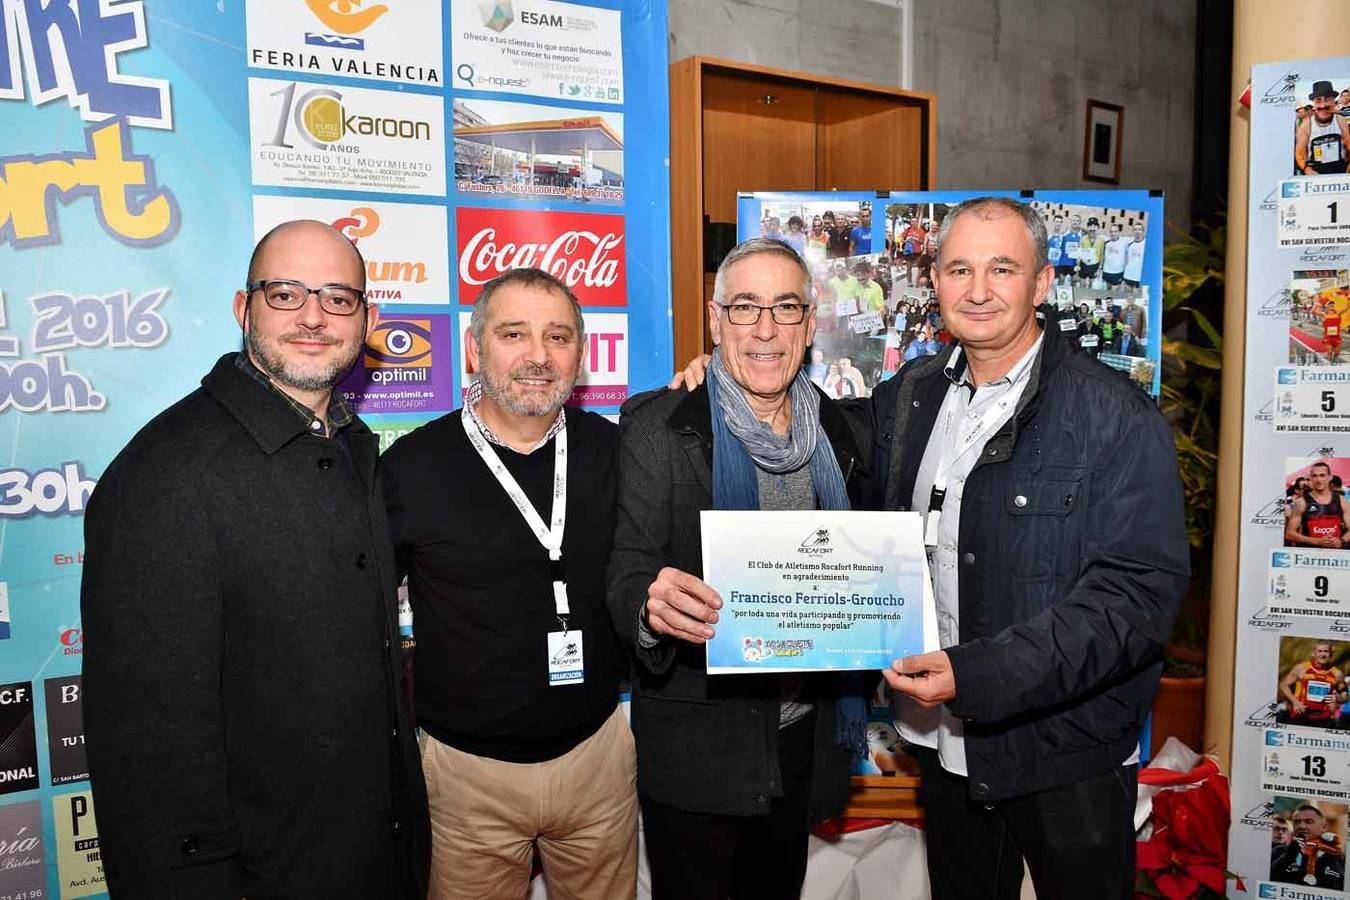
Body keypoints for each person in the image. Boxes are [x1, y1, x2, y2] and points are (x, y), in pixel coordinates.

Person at [80, 220, 430, 898]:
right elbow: (147, 748)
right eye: (285, 293)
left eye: (337, 297)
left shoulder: (352, 446)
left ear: (368, 320)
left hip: (368, 856)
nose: (312, 316)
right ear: (244, 309)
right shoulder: (165, 475)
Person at [870, 196, 1189, 899]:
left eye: (1002, 268)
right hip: (941, 740)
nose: (978, 290)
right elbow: (823, 453)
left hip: (1065, 751)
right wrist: (727, 376)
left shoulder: (1113, 417)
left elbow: (1133, 602)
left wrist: (979, 674)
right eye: (959, 268)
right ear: (935, 282)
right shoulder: (911, 397)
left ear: (1042, 284)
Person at [607, 238, 867, 900]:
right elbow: (628, 564)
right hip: (699, 744)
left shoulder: (841, 434)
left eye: (785, 308)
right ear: (716, 320)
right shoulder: (659, 427)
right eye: (745, 307)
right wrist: (648, 604)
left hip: (799, 740)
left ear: (810, 326)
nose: (765, 329)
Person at [382, 268, 637, 899]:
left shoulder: (621, 452)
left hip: (598, 756)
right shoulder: (410, 468)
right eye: (514, 334)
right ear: (474, 349)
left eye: (558, 337)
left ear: (580, 354)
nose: (538, 357)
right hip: (467, 778)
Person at [1271, 804, 1346, 889]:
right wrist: (1289, 856)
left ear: (1324, 827)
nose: (1302, 826)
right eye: (1297, 822)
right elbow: (1268, 878)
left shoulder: (1338, 857)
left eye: (1309, 821)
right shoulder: (1280, 851)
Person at [1285, 461, 1350, 549]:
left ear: (1330, 477)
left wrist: (1341, 540)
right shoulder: (1301, 502)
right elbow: (1289, 534)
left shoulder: (1342, 501)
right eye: (1315, 476)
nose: (1319, 480)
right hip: (1310, 555)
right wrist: (1316, 541)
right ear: (1310, 478)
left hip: (1335, 556)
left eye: (1322, 475)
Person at [1278, 641, 1344, 727]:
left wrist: (1337, 699)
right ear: (1313, 653)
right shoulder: (1301, 668)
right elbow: (1283, 685)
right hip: (1299, 716)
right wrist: (1294, 701)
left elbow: (1344, 694)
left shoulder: (1337, 673)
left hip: (1323, 720)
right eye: (1320, 651)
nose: (1323, 655)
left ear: (1331, 654)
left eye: (1326, 651)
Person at [1297, 80, 1350, 175]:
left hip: (1340, 169)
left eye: (1327, 99)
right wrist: (1306, 169)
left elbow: (1348, 146)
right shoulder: (1306, 124)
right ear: (1314, 103)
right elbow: (1299, 153)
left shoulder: (1340, 120)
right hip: (1315, 171)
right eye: (1318, 100)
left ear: (1334, 101)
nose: (1323, 105)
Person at [1102, 222, 1129, 293]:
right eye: (1111, 232)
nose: (1113, 233)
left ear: (1119, 232)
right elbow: (1103, 257)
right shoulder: (1106, 243)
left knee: (1113, 293)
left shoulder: (1125, 243)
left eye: (1115, 231)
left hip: (1117, 273)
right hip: (1106, 272)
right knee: (1106, 292)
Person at [1123, 223, 1147, 293]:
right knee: (1126, 297)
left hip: (1139, 278)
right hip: (1128, 276)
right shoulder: (1129, 244)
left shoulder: (1146, 244)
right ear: (1133, 231)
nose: (1137, 231)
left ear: (1143, 231)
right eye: (1135, 229)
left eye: (1139, 229)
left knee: (1137, 299)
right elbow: (1126, 260)